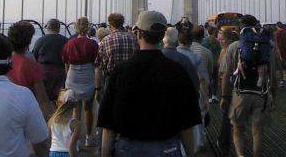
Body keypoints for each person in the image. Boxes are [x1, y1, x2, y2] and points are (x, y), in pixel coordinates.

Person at [98, 10, 201, 156]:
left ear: (138, 34)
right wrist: (191, 154)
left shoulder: (121, 71)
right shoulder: (177, 71)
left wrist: (105, 154)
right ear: (162, 36)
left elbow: (108, 124)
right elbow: (187, 124)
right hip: (167, 148)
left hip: (127, 148)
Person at [220, 14, 276, 157]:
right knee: (257, 130)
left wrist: (224, 96)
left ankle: (241, 155)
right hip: (261, 94)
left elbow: (226, 74)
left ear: (240, 28)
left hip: (240, 93)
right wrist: (272, 97)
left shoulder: (233, 47)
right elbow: (273, 75)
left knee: (238, 128)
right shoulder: (267, 47)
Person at [62, 16, 99, 149]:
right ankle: (89, 137)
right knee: (88, 109)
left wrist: (68, 77)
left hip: (73, 76)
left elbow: (66, 62)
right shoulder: (92, 44)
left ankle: (75, 140)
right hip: (88, 76)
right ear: (88, 28)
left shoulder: (69, 44)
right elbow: (96, 63)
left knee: (75, 111)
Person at [8, 20, 51, 119]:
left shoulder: (1, 62)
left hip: (3, 112)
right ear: (29, 41)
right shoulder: (33, 67)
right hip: (24, 113)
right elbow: (42, 100)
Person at [94, 12, 139, 103]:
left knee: (111, 110)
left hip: (112, 80)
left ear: (110, 25)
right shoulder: (134, 38)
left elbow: (99, 67)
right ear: (122, 23)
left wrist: (98, 89)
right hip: (131, 79)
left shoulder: (105, 41)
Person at [32, 18, 69, 102]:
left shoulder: (40, 40)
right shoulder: (66, 41)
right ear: (59, 28)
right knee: (60, 100)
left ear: (48, 27)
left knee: (44, 98)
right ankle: (59, 113)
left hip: (43, 72)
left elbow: (34, 57)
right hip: (61, 73)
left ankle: (45, 114)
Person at [48, 88, 78, 157]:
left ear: (57, 103)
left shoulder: (52, 120)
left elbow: (49, 140)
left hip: (53, 153)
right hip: (67, 154)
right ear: (75, 105)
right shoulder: (75, 124)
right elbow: (71, 147)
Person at [275, 21, 286, 86]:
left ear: (277, 26)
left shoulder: (276, 34)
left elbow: (276, 45)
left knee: (280, 68)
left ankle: (281, 81)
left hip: (279, 53)